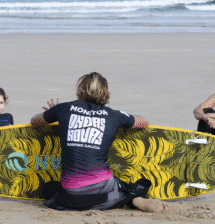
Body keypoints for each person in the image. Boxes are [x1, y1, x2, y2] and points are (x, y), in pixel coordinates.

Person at [30, 72, 163, 212]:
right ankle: (133, 199)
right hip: (103, 189)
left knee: (49, 188)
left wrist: (54, 113)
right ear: (105, 93)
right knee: (125, 187)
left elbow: (34, 121)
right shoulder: (114, 115)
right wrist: (124, 117)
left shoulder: (63, 108)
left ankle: (119, 198)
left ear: (80, 91)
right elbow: (144, 122)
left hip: (71, 194)